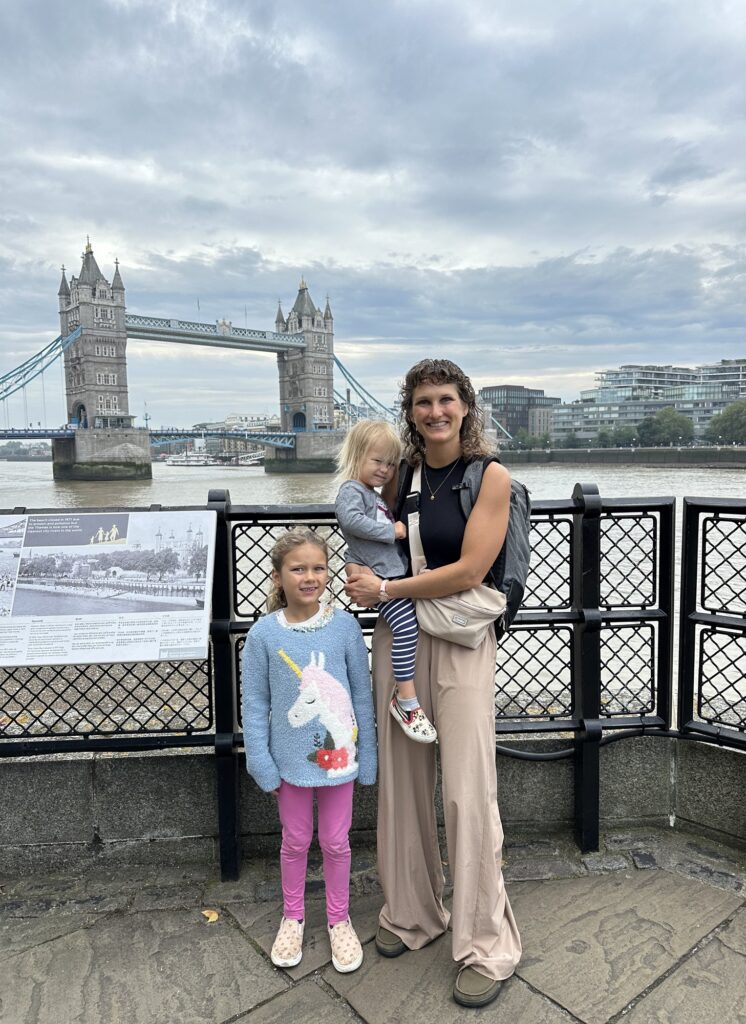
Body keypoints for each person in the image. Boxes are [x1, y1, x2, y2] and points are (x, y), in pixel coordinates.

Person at [344, 358, 522, 1008]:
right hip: (399, 643)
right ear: (411, 411)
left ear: (465, 407)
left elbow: (472, 570)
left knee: (467, 794)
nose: (435, 412)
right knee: (403, 784)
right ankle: (412, 913)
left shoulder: (489, 477)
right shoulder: (401, 477)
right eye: (423, 402)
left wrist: (385, 587)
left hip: (460, 646)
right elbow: (364, 531)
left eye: (446, 400)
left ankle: (484, 944)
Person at [241, 527, 377, 974]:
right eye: (298, 568)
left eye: (318, 567)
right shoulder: (263, 635)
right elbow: (256, 702)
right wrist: (259, 757)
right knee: (295, 840)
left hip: (341, 761)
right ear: (278, 576)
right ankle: (293, 915)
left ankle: (339, 919)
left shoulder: (344, 627)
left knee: (337, 842)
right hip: (288, 763)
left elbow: (361, 694)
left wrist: (369, 754)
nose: (310, 576)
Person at [335, 419, 436, 743]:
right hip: (380, 576)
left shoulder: (371, 493)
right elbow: (349, 520)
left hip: (389, 573)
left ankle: (406, 695)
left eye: (391, 464)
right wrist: (390, 530)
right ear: (356, 456)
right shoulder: (352, 489)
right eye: (377, 461)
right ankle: (405, 699)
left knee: (411, 626)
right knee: (407, 628)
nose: (384, 470)